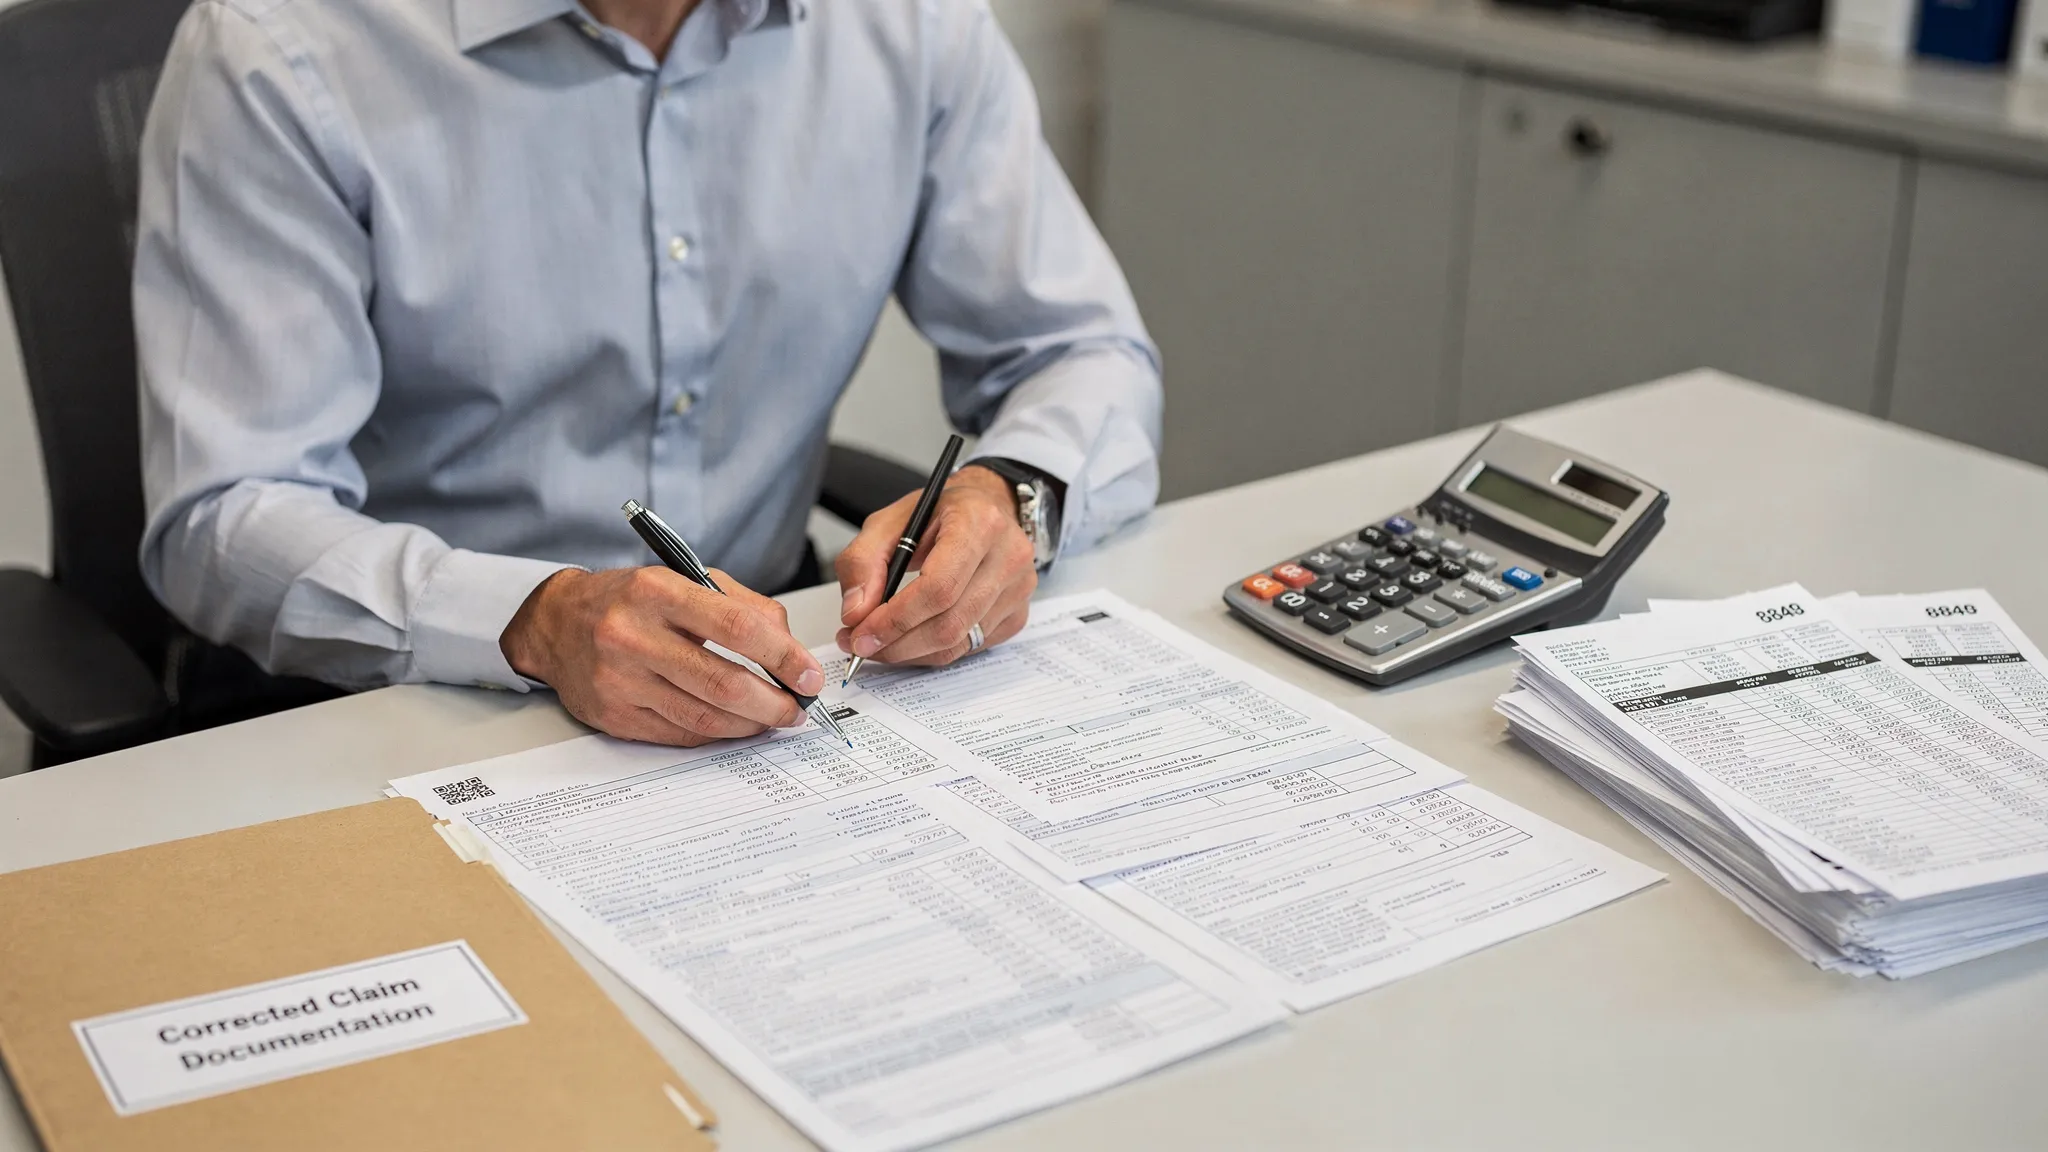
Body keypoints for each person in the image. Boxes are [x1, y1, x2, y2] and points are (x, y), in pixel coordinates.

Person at [134, 0, 1163, 746]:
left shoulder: (907, 26)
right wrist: (534, 619)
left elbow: (1079, 349)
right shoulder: (281, 47)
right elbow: (226, 512)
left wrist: (1014, 496)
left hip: (774, 698)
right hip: (397, 706)